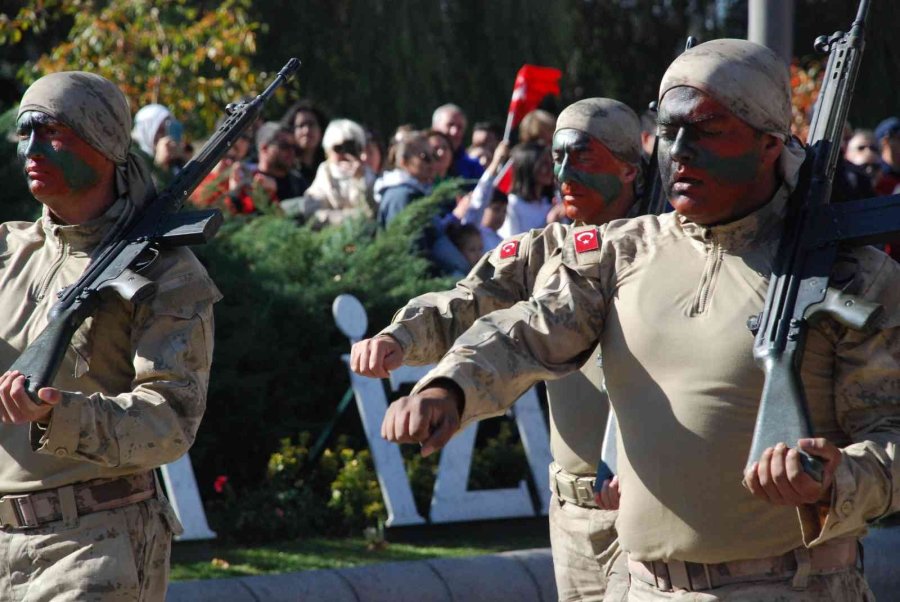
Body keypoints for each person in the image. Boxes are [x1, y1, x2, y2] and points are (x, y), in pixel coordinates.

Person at [381, 39, 899, 600]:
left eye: (705, 130)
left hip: (795, 586)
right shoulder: (618, 252)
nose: (680, 152)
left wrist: (839, 477)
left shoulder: (851, 276)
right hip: (644, 586)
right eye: (669, 132)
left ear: (769, 143)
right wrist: (450, 388)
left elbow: (891, 435)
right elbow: (530, 327)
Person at [352, 97, 644, 602]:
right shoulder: (544, 249)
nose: (566, 172)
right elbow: (469, 301)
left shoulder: (659, 248)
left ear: (629, 168)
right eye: (559, 157)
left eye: (585, 157)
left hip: (643, 509)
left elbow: (533, 328)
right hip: (573, 515)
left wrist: (451, 388)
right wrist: (398, 338)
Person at [9, 71, 219, 599]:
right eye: (24, 131)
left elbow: (170, 420)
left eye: (53, 131)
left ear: (104, 141)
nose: (32, 147)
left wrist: (58, 415)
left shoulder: (168, 273)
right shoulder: (8, 254)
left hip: (95, 544)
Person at [303, 118, 377, 227]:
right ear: (327, 152)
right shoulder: (325, 174)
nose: (345, 154)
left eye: (351, 147)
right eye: (338, 148)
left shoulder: (368, 175)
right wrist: (352, 217)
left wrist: (360, 180)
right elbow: (314, 215)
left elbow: (374, 212)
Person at [229, 122, 308, 214]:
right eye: (284, 146)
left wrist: (277, 187)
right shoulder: (243, 178)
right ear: (264, 148)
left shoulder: (298, 181)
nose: (291, 151)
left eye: (294, 147)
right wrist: (234, 193)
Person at [375, 131, 435, 228]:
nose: (432, 162)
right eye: (425, 157)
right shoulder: (400, 196)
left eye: (434, 156)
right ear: (404, 162)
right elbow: (401, 239)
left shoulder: (420, 191)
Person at [498, 142, 555, 238]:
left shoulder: (551, 202)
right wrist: (548, 222)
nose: (550, 169)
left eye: (551, 163)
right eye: (544, 164)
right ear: (528, 167)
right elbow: (513, 241)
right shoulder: (513, 204)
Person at [131, 103, 187, 184]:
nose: (165, 136)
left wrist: (182, 160)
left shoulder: (170, 159)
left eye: (168, 129)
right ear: (147, 129)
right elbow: (152, 193)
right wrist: (160, 164)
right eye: (160, 130)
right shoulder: (134, 157)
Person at [432, 104, 484, 179]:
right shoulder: (420, 159)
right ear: (435, 127)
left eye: (460, 127)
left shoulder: (473, 167)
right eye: (450, 125)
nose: (455, 132)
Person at [281, 99, 327, 183]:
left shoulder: (328, 168)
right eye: (301, 125)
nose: (306, 131)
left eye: (311, 124)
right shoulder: (283, 168)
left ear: (321, 130)